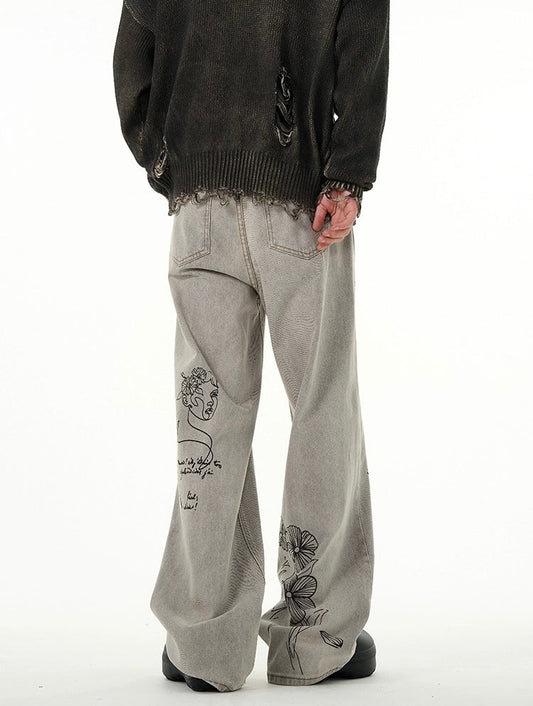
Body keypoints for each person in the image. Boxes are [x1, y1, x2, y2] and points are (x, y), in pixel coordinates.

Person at [112, 0, 389, 693]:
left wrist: (171, 162)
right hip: (305, 201)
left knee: (208, 417)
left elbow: (134, 58)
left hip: (199, 203)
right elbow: (362, 46)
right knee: (321, 403)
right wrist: (347, 177)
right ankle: (314, 640)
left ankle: (205, 644)